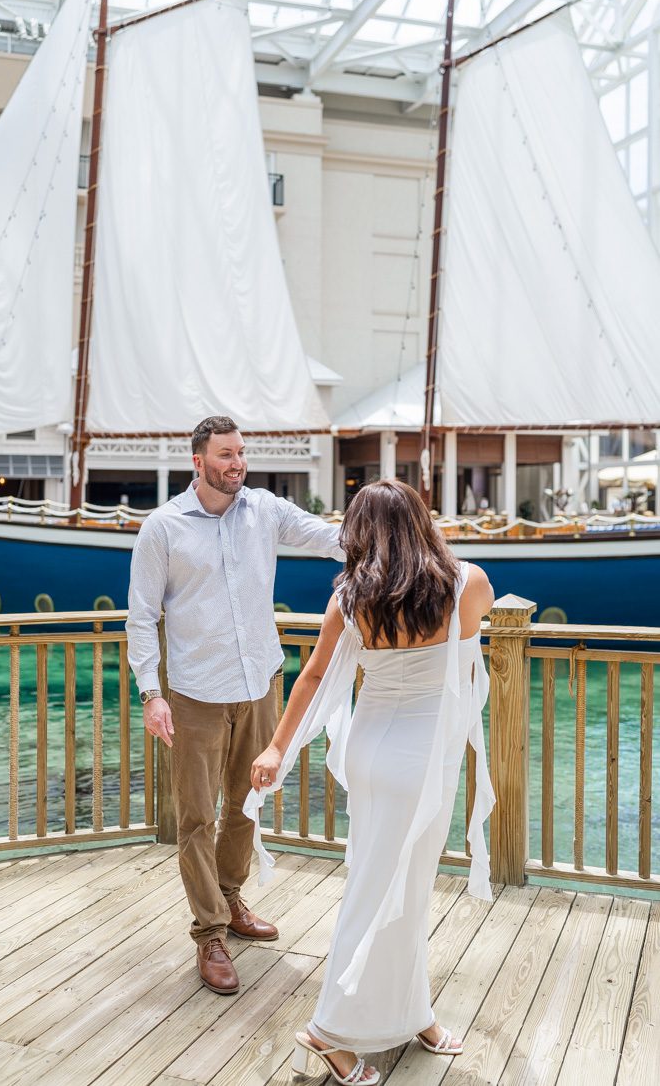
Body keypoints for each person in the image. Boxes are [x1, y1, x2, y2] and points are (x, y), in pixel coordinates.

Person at [247, 479, 495, 1085]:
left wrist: (279, 745)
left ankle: (412, 1012)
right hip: (423, 760)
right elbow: (470, 634)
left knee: (393, 888)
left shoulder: (351, 601)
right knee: (392, 891)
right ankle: (328, 1031)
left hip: (373, 751)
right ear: (420, 521)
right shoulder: (469, 584)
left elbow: (311, 678)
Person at [126, 415, 345, 996]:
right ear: (198, 461)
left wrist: (396, 536)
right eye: (225, 454)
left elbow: (328, 538)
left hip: (259, 685)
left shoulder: (264, 510)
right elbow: (142, 616)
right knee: (197, 818)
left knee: (247, 802)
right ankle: (209, 935)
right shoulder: (163, 528)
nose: (236, 463)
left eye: (241, 452)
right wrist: (152, 694)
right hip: (195, 692)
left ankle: (229, 900)